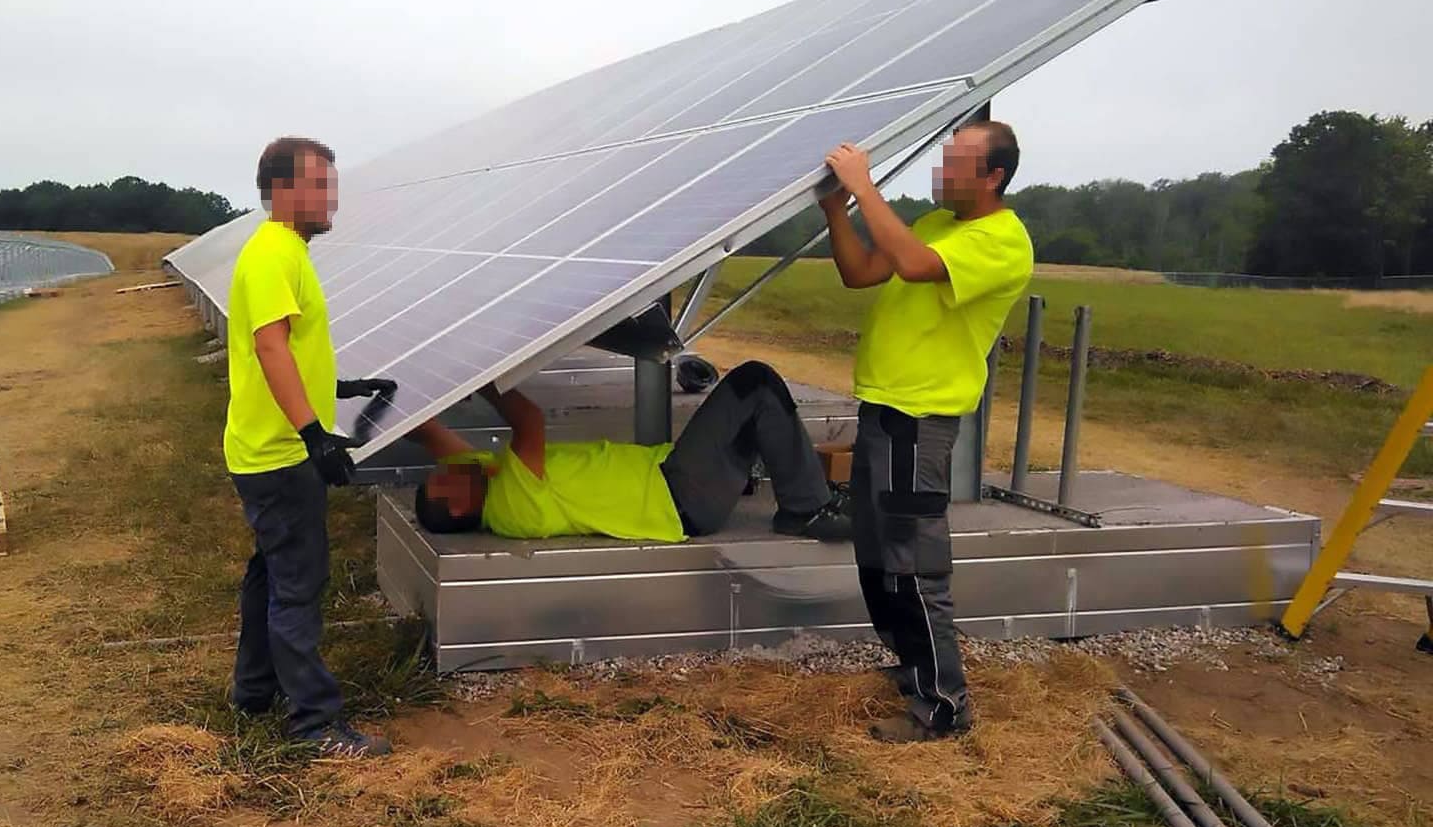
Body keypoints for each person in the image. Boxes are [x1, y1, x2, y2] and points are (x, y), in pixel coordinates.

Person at [818, 118, 1034, 743]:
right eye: (945, 158)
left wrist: (864, 188)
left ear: (994, 176)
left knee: (914, 563)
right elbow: (861, 272)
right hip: (884, 409)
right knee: (875, 554)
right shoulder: (939, 222)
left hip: (919, 420)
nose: (943, 171)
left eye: (958, 162)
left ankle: (944, 705)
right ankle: (913, 664)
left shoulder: (1002, 240)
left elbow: (912, 266)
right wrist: (836, 210)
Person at [223, 136, 394, 758]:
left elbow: (288, 347)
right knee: (298, 583)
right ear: (283, 189)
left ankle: (253, 691)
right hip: (279, 454)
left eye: (331, 185)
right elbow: (269, 345)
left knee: (271, 572)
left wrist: (335, 387)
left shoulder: (283, 249)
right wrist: (313, 434)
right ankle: (316, 726)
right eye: (319, 186)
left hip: (264, 447)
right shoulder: (273, 252)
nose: (331, 199)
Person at [407, 360, 850, 542]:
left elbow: (429, 434)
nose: (451, 467)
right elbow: (529, 422)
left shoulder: (483, 476)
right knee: (755, 383)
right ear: (459, 507)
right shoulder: (510, 504)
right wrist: (485, 378)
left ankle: (805, 491)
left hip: (674, 475)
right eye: (445, 478)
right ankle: (806, 510)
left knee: (749, 413)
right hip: (680, 497)